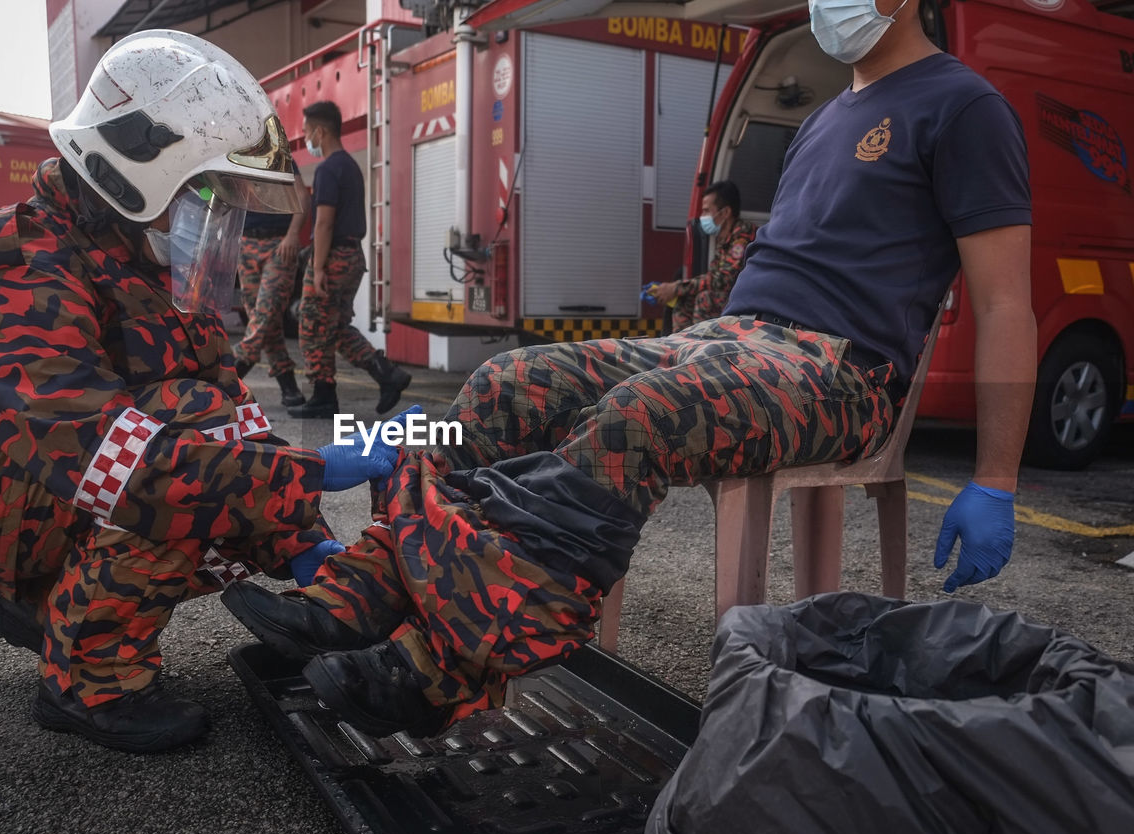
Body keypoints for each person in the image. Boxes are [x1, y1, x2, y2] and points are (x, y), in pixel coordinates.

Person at [224, 0, 1037, 738]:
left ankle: (448, 667)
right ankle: (372, 585)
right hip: (728, 336)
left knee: (643, 416)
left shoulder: (965, 107)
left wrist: (995, 479)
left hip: (839, 370)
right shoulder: (825, 118)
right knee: (506, 384)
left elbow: (1006, 303)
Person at [0, 30, 405, 753]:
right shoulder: (14, 267)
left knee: (219, 449)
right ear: (134, 170)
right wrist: (308, 474)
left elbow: (228, 415)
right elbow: (118, 463)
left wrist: (309, 540)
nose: (213, 221)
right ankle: (88, 679)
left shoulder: (135, 263)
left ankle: (52, 603)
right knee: (188, 480)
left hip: (29, 470)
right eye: (203, 194)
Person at [288, 100, 411, 419]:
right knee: (335, 326)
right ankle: (386, 374)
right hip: (352, 256)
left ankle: (324, 395)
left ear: (320, 131)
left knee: (312, 324)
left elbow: (324, 221)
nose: (306, 139)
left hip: (333, 258)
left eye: (306, 132)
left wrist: (317, 268)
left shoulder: (329, 168)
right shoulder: (351, 167)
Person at [233, 169, 311, 407]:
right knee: (263, 317)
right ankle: (288, 385)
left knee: (267, 311)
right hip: (246, 243)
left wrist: (293, 234)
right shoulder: (239, 155)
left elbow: (302, 195)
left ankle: (235, 370)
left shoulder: (280, 154)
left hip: (279, 244)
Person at [646, 180, 756, 331]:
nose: (701, 216)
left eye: (706, 211)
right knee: (684, 300)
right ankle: (681, 346)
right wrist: (677, 290)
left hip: (747, 299)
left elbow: (722, 279)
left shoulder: (742, 236)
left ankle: (702, 347)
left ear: (725, 212)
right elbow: (713, 276)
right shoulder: (724, 238)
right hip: (730, 296)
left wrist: (676, 287)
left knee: (705, 298)